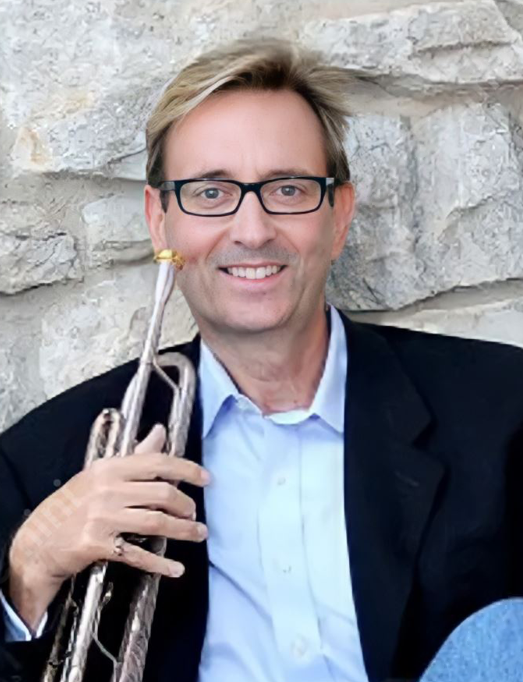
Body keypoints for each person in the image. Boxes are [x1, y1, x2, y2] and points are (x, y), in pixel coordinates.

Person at [1, 37, 523, 682]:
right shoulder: (44, 457)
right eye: (211, 193)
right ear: (160, 222)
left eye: (288, 188)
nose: (252, 230)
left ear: (338, 216)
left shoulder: (501, 407)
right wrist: (25, 576)